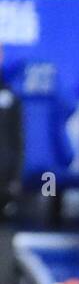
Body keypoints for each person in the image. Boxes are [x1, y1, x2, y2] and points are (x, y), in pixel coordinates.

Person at [0, 53, 21, 226]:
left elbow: (18, 140)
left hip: (3, 176)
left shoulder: (10, 96)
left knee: (48, 182)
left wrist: (15, 176)